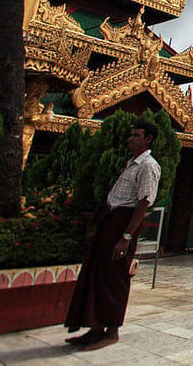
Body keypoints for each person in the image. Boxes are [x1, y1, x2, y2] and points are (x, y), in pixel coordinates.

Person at [64, 122, 161, 351]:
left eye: (137, 135)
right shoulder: (132, 164)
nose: (131, 138)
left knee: (115, 279)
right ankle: (95, 327)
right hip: (111, 220)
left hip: (123, 225)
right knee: (98, 275)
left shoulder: (149, 165)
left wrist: (126, 236)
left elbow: (144, 202)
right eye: (131, 134)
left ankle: (112, 330)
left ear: (149, 139)